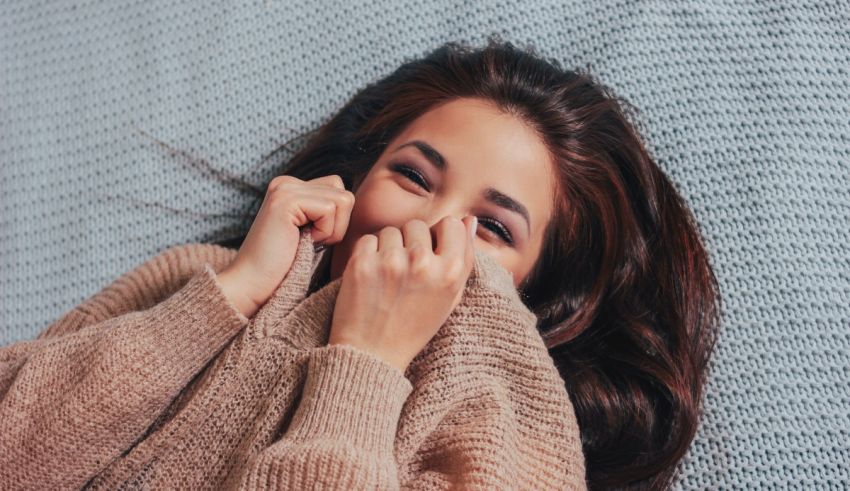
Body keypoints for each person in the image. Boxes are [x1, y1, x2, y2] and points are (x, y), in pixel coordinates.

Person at [3, 35, 721, 490]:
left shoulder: (506, 433)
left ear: (535, 296)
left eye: (492, 225)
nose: (431, 222)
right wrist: (225, 298)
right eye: (413, 175)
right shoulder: (195, 280)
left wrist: (364, 365)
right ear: (355, 180)